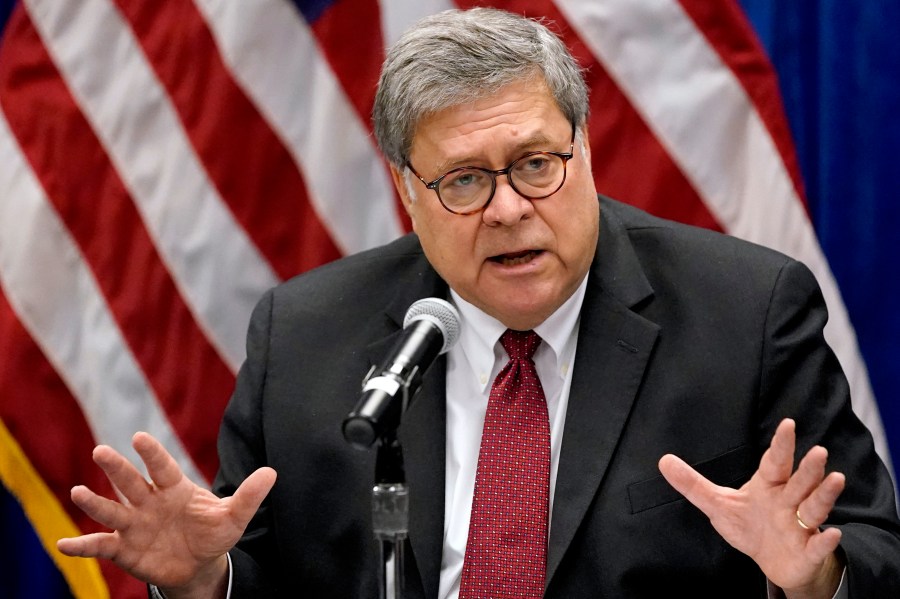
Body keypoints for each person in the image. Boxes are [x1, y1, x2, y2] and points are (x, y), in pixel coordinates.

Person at [57, 8, 900, 599]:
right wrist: (207, 580)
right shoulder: (309, 338)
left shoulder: (745, 313)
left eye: (537, 162)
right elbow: (275, 576)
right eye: (464, 180)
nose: (507, 208)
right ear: (407, 192)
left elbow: (873, 551)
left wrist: (814, 578)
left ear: (585, 150)